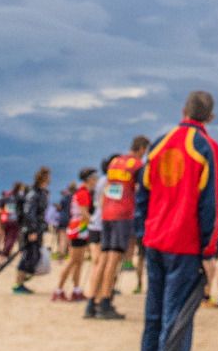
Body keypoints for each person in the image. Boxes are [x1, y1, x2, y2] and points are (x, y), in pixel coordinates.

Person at [133, 90, 218, 351]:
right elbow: (211, 204)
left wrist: (144, 232)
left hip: (155, 243)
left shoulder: (159, 143)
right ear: (210, 117)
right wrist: (209, 249)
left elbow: (141, 192)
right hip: (184, 247)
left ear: (183, 110)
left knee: (153, 324)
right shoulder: (204, 146)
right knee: (175, 328)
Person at [88, 136, 149, 320]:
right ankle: (105, 300)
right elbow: (142, 189)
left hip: (107, 213)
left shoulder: (115, 162)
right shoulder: (137, 165)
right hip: (122, 214)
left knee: (104, 257)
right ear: (141, 148)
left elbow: (108, 186)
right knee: (114, 259)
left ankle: (92, 301)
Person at [54, 167, 96, 301]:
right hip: (79, 227)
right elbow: (84, 212)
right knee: (73, 260)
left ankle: (76, 289)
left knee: (78, 261)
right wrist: (95, 222)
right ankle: (59, 289)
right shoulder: (83, 193)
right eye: (94, 178)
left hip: (80, 228)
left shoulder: (82, 192)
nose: (96, 181)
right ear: (89, 179)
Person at [13, 167, 51, 294]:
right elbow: (30, 213)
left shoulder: (41, 193)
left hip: (37, 228)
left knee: (35, 255)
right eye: (48, 176)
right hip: (31, 230)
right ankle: (18, 284)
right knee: (28, 255)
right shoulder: (33, 194)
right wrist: (32, 230)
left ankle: (22, 280)